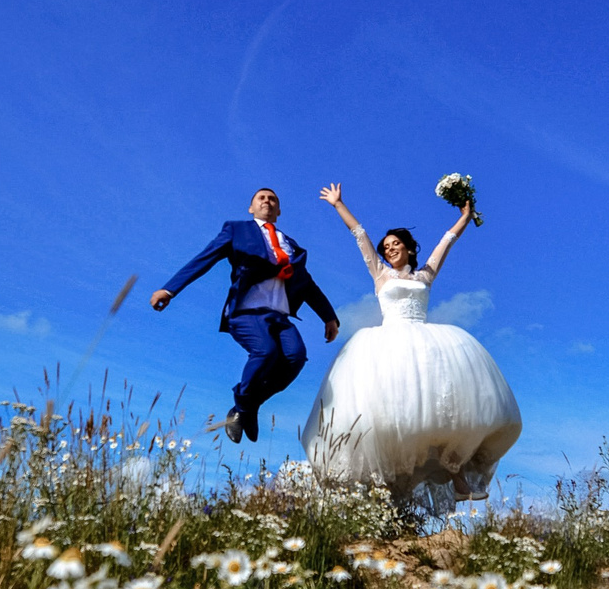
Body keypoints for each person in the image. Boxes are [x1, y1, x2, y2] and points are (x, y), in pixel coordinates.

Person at [300, 182, 520, 509]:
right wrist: (338, 204)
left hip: (426, 347)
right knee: (394, 420)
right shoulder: (380, 274)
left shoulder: (424, 276)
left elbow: (448, 242)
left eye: (395, 244)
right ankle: (389, 493)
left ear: (409, 249)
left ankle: (455, 474)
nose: (389, 249)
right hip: (388, 349)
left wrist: (465, 216)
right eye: (386, 246)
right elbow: (359, 234)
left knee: (438, 415)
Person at [151, 186, 342, 444]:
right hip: (246, 313)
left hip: (280, 317)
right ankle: (244, 406)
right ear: (251, 208)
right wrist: (170, 289)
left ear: (279, 210)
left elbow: (307, 284)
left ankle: (244, 408)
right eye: (261, 198)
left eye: (273, 199)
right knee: (266, 352)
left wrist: (328, 317)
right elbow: (204, 259)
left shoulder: (290, 246)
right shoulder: (237, 230)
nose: (267, 201)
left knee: (295, 358)